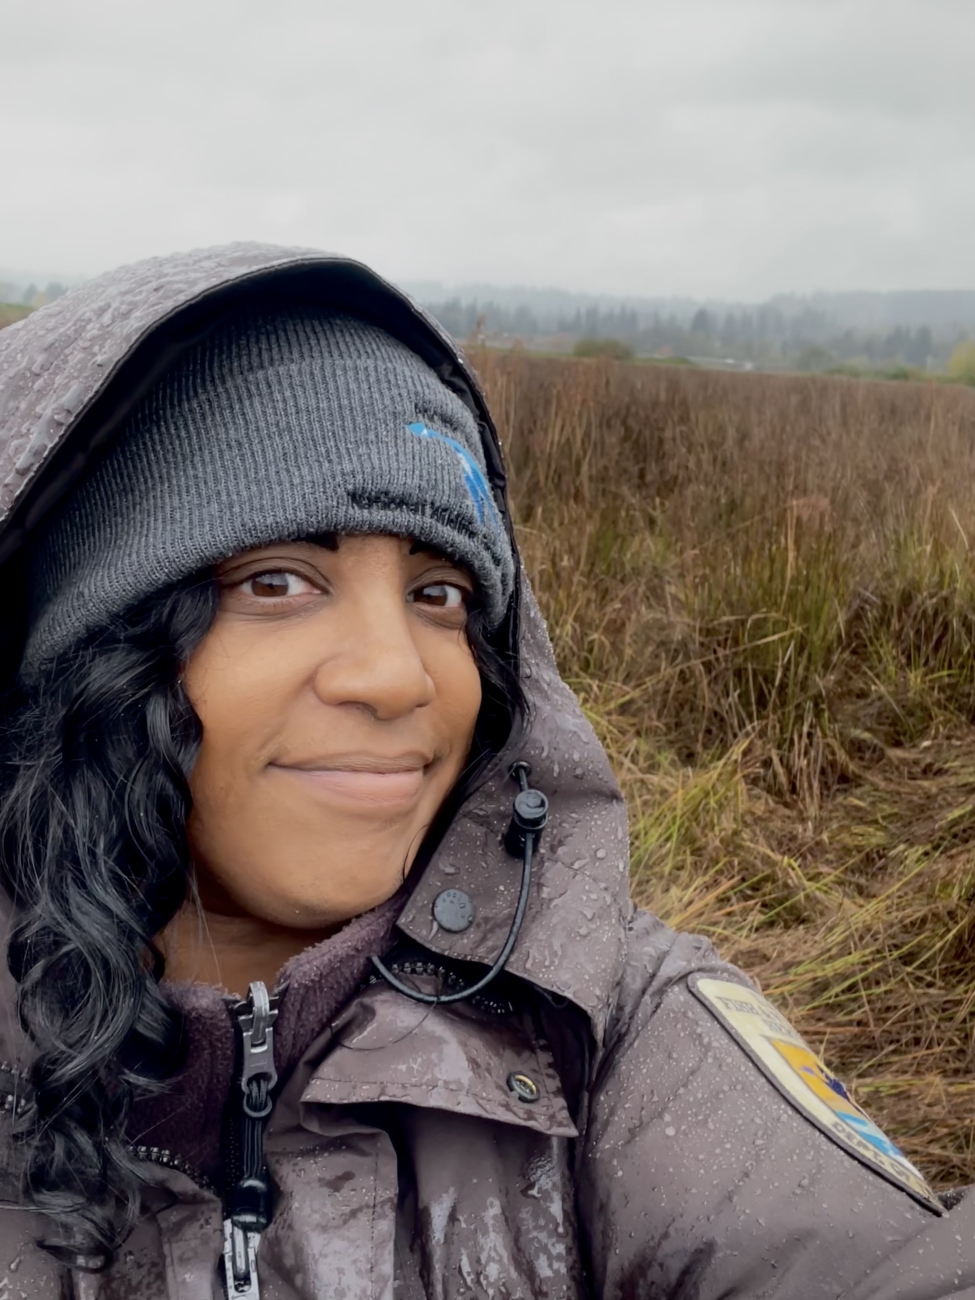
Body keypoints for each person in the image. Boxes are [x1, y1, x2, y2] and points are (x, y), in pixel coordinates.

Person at [0, 244, 950, 1299]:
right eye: (277, 581)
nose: (398, 676)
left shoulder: (600, 1028)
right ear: (82, 650)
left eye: (439, 595)